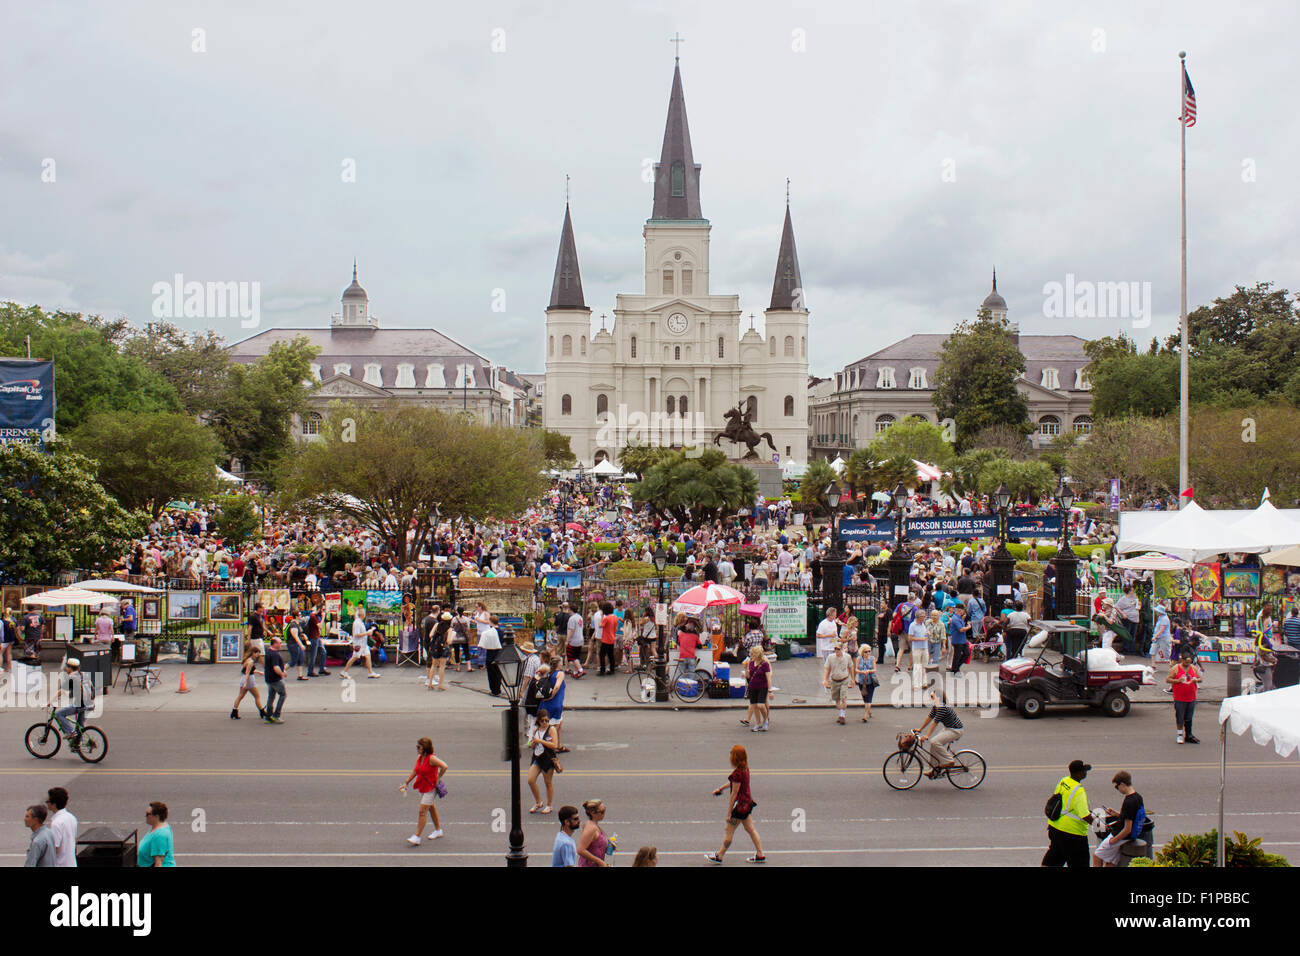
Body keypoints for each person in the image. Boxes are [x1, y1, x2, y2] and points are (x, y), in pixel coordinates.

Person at [705, 745, 765, 864]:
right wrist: (721, 788)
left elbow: (734, 793)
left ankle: (719, 855)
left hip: (740, 807)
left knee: (729, 830)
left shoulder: (737, 773)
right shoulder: (745, 768)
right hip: (747, 803)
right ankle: (760, 854)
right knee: (750, 829)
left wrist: (729, 813)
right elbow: (734, 783)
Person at [1042, 760, 1094, 868]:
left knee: (1054, 857)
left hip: (1055, 828)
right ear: (1079, 773)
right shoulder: (1079, 791)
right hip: (1072, 834)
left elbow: (1058, 799)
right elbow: (1085, 815)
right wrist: (1100, 825)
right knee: (1079, 862)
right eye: (1084, 771)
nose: (1086, 773)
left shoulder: (1064, 781)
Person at [401, 737, 448, 845]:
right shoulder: (420, 757)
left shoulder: (431, 758)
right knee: (431, 808)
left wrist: (438, 778)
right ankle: (438, 830)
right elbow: (415, 771)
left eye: (419, 747)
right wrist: (406, 782)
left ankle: (417, 836)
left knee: (422, 811)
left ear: (425, 748)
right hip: (423, 786)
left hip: (430, 788)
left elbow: (444, 766)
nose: (417, 749)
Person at [1093, 771, 1145, 868]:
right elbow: (1131, 817)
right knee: (1111, 862)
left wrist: (1113, 841)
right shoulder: (1138, 797)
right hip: (1130, 836)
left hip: (1120, 836)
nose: (1117, 789)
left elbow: (1127, 828)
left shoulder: (1128, 802)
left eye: (1117, 787)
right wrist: (1117, 814)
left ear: (1122, 784)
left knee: (1097, 856)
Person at [915, 688, 963, 776]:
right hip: (948, 728)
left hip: (956, 730)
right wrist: (920, 729)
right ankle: (933, 769)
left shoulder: (942, 707)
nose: (931, 699)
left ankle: (949, 761)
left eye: (933, 697)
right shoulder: (936, 706)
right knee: (933, 745)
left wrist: (927, 736)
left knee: (934, 741)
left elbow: (934, 723)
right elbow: (929, 718)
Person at [1167, 650, 1203, 744]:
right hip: (1179, 697)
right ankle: (1180, 735)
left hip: (1191, 697)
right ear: (1181, 660)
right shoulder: (1176, 668)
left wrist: (1196, 680)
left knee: (1189, 717)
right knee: (1180, 717)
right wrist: (1178, 680)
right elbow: (1168, 679)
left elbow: (1200, 679)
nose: (1188, 664)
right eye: (1186, 662)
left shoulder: (1193, 668)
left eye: (1189, 662)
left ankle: (1189, 734)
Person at [527, 712, 560, 815]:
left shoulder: (551, 729)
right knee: (531, 780)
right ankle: (538, 802)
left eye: (547, 720)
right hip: (537, 757)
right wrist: (533, 743)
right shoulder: (536, 730)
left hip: (547, 758)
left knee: (548, 782)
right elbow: (532, 744)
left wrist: (540, 741)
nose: (545, 722)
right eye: (542, 721)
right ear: (538, 721)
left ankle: (549, 805)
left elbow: (555, 745)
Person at [54, 659, 93, 741]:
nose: (65, 669)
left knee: (59, 714)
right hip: (90, 704)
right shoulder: (83, 674)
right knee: (80, 727)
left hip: (81, 705)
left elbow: (61, 691)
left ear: (70, 668)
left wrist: (49, 702)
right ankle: (79, 744)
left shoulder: (71, 677)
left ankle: (71, 732)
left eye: (66, 667)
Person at [536, 657, 568, 752]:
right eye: (561, 662)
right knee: (554, 727)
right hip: (555, 702)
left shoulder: (549, 673)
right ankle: (552, 746)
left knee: (557, 724)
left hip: (545, 703)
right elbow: (557, 686)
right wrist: (552, 696)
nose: (562, 664)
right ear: (558, 664)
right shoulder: (560, 673)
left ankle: (558, 744)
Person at [341, 606, 381, 679]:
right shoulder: (357, 623)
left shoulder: (359, 622)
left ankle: (370, 672)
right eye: (364, 613)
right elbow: (356, 634)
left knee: (367, 655)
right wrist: (367, 633)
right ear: (362, 614)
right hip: (358, 644)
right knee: (355, 657)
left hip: (363, 643)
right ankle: (344, 671)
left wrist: (368, 632)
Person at [231, 645, 266, 720]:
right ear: (253, 653)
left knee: (240, 696)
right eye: (257, 653)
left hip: (243, 678)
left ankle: (234, 711)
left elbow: (247, 671)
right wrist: (246, 683)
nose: (258, 655)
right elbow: (248, 673)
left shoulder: (247, 659)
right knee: (257, 696)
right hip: (250, 680)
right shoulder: (251, 662)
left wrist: (259, 672)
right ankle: (262, 711)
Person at [823, 641, 854, 724]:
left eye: (838, 649)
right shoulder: (830, 657)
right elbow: (827, 668)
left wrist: (853, 679)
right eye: (835, 649)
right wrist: (825, 679)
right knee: (836, 700)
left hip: (844, 679)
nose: (837, 651)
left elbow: (851, 667)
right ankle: (840, 713)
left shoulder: (847, 657)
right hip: (834, 680)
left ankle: (842, 716)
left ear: (842, 649)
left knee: (843, 698)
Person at [45, 787, 77, 867]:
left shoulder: (56, 823)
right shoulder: (71, 818)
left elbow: (55, 848)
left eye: (48, 801)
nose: (46, 803)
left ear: (54, 804)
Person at [138, 802, 177, 867]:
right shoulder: (158, 827)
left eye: (148, 814)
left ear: (156, 816)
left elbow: (158, 863)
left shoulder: (159, 835)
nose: (145, 816)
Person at [742, 645, 771, 732]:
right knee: (754, 706)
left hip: (762, 687)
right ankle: (758, 723)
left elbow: (768, 678)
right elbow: (748, 676)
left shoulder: (765, 664)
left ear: (757, 654)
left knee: (761, 705)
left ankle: (765, 720)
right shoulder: (751, 663)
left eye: (752, 654)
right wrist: (746, 670)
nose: (750, 655)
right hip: (752, 687)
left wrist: (770, 690)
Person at [576, 799, 611, 867]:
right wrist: (600, 862)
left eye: (604, 810)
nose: (604, 814)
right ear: (592, 813)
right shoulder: (591, 828)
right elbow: (580, 850)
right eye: (602, 812)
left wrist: (608, 848)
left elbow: (595, 847)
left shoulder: (595, 826)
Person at [263, 637, 288, 723]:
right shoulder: (275, 654)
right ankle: (276, 715)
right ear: (275, 644)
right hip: (275, 679)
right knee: (283, 694)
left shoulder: (268, 651)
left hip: (268, 678)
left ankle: (268, 716)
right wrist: (282, 674)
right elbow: (276, 667)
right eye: (280, 643)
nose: (281, 644)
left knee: (271, 696)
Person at [426, 612, 451, 691]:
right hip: (444, 648)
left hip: (435, 647)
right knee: (442, 666)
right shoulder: (449, 629)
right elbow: (449, 641)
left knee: (434, 665)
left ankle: (430, 683)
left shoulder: (437, 625)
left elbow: (430, 635)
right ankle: (440, 684)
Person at [479, 614, 503, 695]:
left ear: (490, 622)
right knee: (498, 672)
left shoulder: (488, 632)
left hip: (490, 653)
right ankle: (498, 688)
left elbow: (483, 644)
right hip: (500, 654)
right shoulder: (502, 632)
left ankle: (494, 690)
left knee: (491, 673)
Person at [856, 643, 878, 721]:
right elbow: (856, 669)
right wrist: (861, 672)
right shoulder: (859, 659)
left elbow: (875, 669)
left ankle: (865, 715)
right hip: (862, 681)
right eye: (866, 652)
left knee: (869, 698)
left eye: (869, 651)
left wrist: (869, 671)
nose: (868, 653)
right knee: (864, 697)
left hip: (870, 680)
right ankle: (868, 711)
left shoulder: (872, 658)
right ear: (862, 652)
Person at [947, 603, 971, 673]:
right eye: (963, 610)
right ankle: (955, 669)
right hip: (957, 640)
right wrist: (968, 627)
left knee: (966, 653)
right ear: (960, 611)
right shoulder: (955, 619)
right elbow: (961, 629)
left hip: (962, 639)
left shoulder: (959, 618)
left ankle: (956, 667)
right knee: (957, 656)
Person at [564, 604, 586, 678]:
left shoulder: (572, 619)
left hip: (574, 639)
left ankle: (580, 670)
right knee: (577, 655)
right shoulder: (580, 617)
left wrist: (567, 640)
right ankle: (576, 671)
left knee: (572, 656)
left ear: (570, 609)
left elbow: (571, 630)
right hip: (580, 638)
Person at [598, 601, 619, 676]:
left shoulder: (606, 618)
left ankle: (602, 670)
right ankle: (612, 669)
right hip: (612, 638)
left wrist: (601, 617)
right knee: (610, 655)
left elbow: (600, 625)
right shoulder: (615, 617)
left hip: (606, 639)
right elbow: (616, 628)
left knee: (602, 655)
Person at [285, 615, 308, 681]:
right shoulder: (293, 625)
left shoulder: (298, 624)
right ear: (296, 616)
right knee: (293, 660)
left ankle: (300, 675)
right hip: (293, 644)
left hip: (297, 644)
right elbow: (295, 636)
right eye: (300, 615)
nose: (301, 616)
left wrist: (304, 635)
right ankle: (280, 672)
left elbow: (300, 633)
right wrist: (301, 645)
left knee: (300, 659)